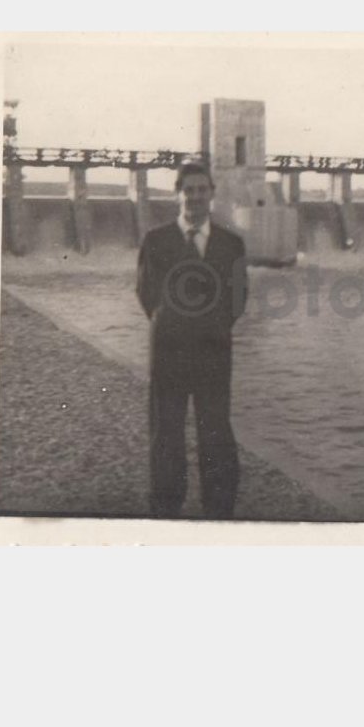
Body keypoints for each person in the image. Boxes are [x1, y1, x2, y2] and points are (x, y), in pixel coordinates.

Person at [136, 162, 248, 519]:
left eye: (202, 190)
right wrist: (172, 324)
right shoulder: (156, 240)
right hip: (168, 352)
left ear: (211, 194)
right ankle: (166, 503)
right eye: (189, 190)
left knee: (215, 430)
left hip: (213, 351)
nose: (196, 197)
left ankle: (218, 506)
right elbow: (146, 293)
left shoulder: (231, 244)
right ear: (177, 195)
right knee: (166, 431)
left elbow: (238, 298)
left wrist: (211, 328)